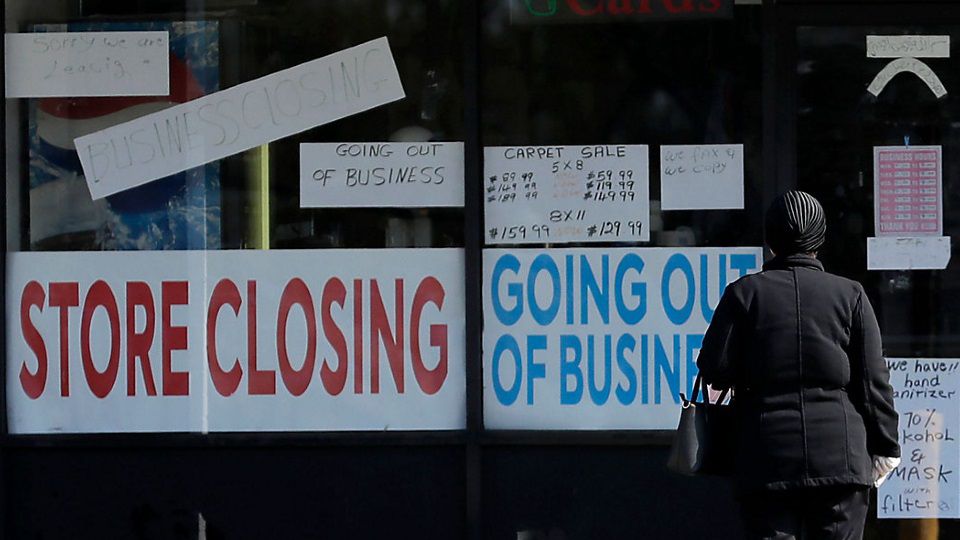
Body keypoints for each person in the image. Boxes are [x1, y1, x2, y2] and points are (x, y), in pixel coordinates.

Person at [697, 190, 901, 540]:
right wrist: (887, 446)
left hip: (766, 454)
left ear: (770, 238)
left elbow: (714, 368)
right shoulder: (850, 294)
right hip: (841, 455)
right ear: (819, 238)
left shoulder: (743, 294)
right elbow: (873, 382)